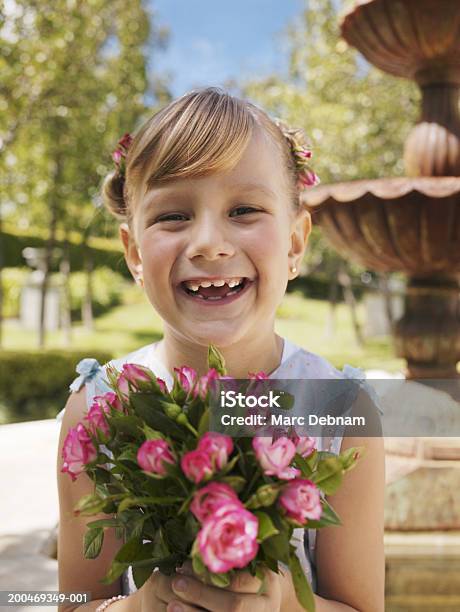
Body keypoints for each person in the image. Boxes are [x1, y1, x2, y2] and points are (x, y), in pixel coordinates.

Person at [57, 87, 385, 612]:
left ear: (296, 244)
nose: (210, 242)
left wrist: (283, 601)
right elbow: (74, 602)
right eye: (173, 216)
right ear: (134, 253)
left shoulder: (339, 412)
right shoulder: (98, 407)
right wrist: (137, 607)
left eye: (245, 209)